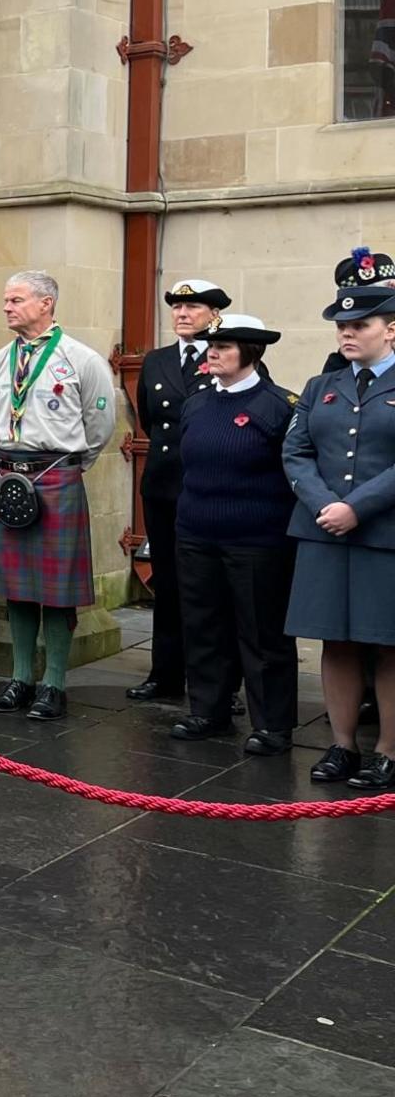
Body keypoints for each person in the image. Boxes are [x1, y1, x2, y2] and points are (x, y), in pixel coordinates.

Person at [0, 271, 117, 721]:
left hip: (55, 477)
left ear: (46, 304)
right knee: (15, 588)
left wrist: (65, 468)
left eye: (16, 299)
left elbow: (100, 427)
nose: (7, 307)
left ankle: (54, 683)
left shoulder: (81, 360)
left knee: (56, 592)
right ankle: (20, 679)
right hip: (3, 475)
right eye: (6, 299)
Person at [285, 247, 395, 789]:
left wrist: (358, 506)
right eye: (341, 326)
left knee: (388, 643)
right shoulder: (319, 386)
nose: (347, 334)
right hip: (324, 531)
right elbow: (295, 451)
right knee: (337, 641)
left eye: (360, 325)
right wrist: (324, 503)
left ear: (391, 329)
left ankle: (388, 751)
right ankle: (342, 744)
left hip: (384, 535)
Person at [174, 314, 296, 754]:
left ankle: (272, 724)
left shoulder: (277, 406)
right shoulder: (197, 403)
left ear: (251, 352)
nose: (213, 352)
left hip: (256, 539)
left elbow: (293, 471)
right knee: (204, 625)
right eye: (211, 344)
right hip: (196, 532)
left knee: (262, 633)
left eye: (224, 346)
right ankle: (209, 710)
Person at [126, 279, 232, 703]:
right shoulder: (157, 360)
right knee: (167, 582)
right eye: (177, 308)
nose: (183, 314)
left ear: (214, 315)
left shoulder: (229, 355)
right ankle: (165, 673)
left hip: (210, 487)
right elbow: (150, 420)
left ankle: (219, 680)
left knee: (214, 586)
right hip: (165, 486)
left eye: (194, 307)